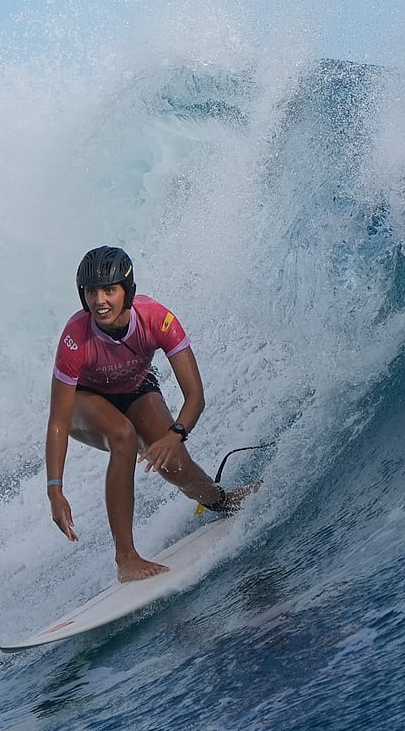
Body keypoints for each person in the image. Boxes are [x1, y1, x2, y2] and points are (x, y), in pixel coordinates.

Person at [45, 245, 251, 582]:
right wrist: (55, 490)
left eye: (109, 290)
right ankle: (126, 559)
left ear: (128, 291)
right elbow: (57, 420)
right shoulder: (75, 338)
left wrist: (175, 435)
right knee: (122, 435)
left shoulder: (156, 319)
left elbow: (195, 395)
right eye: (92, 291)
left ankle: (219, 501)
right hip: (85, 401)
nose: (100, 300)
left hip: (136, 389)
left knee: (177, 466)